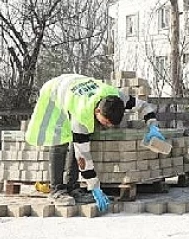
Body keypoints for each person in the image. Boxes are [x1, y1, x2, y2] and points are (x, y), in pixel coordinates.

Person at [24, 74, 166, 211]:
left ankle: (73, 188)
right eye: (106, 122)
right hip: (55, 92)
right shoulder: (82, 115)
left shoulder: (117, 97)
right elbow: (82, 156)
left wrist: (152, 125)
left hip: (76, 84)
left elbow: (144, 106)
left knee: (76, 141)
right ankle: (56, 190)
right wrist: (95, 187)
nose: (107, 126)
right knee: (59, 139)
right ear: (98, 110)